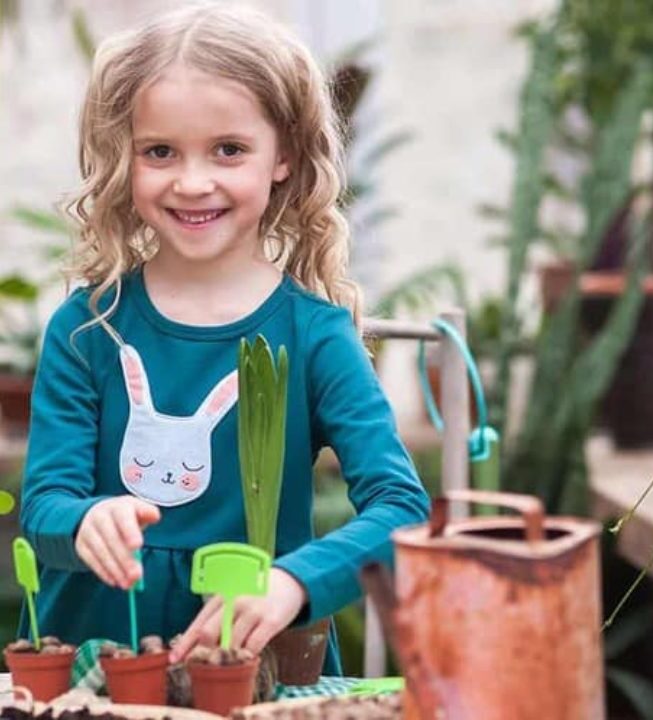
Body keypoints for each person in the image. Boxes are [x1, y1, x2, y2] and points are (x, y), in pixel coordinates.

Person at [19, 3, 429, 676]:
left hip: (259, 676)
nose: (192, 181)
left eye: (229, 149)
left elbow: (402, 511)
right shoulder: (87, 329)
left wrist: (296, 581)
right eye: (160, 151)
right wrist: (84, 523)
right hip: (93, 678)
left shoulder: (315, 336)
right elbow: (44, 507)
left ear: (284, 157)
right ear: (127, 157)